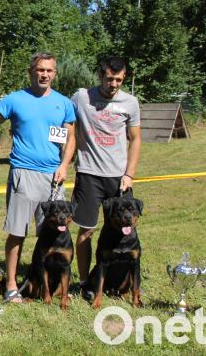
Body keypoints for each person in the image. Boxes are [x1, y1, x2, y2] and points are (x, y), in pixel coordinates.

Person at [0, 52, 76, 303]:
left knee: (53, 232)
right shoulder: (15, 99)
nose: (44, 74)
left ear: (54, 73)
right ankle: (12, 284)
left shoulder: (63, 103)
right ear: (31, 72)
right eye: (40, 70)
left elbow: (71, 138)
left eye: (49, 70)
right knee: (18, 232)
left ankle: (47, 284)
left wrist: (64, 165)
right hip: (23, 174)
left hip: (53, 177)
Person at [71, 56, 141, 291]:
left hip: (118, 177)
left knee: (125, 228)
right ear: (100, 75)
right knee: (86, 230)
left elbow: (136, 139)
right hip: (88, 174)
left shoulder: (130, 102)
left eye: (119, 80)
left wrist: (129, 174)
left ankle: (123, 281)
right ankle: (84, 282)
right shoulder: (81, 97)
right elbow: (64, 122)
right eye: (110, 79)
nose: (113, 84)